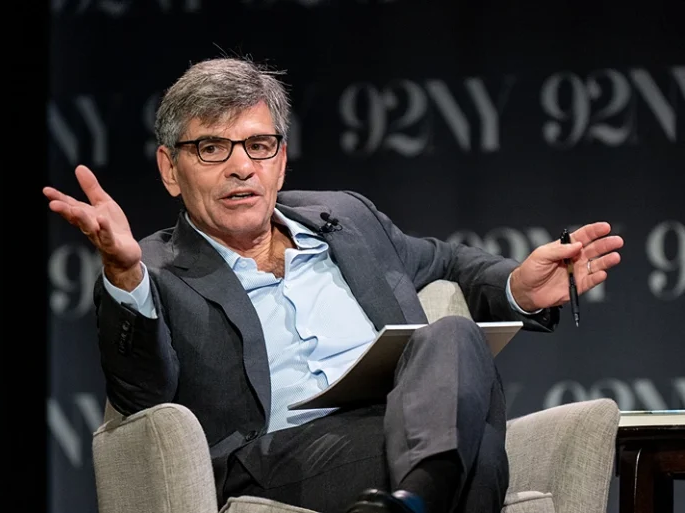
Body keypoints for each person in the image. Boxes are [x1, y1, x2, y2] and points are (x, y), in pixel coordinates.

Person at [43, 57, 623, 513]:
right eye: (212, 148)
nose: (241, 166)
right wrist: (122, 275)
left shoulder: (347, 218)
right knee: (473, 448)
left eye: (258, 145)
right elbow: (141, 397)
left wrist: (517, 287)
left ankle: (419, 495)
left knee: (450, 335)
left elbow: (443, 261)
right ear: (171, 169)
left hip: (404, 421)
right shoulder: (154, 270)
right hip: (282, 456)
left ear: (282, 158)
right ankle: (431, 485)